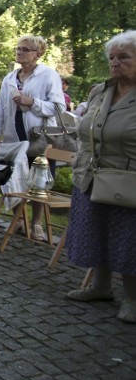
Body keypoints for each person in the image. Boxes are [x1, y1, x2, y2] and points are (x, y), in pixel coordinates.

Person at [64, 31, 136, 323]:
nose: (115, 63)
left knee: (128, 240)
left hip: (127, 179)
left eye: (124, 57)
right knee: (96, 232)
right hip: (91, 175)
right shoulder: (100, 91)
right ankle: (100, 287)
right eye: (112, 58)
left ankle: (132, 299)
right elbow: (85, 129)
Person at [0, 34, 65, 241]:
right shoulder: (9, 78)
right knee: (15, 179)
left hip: (40, 141)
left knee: (39, 183)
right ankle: (19, 219)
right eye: (18, 48)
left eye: (25, 49)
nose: (20, 52)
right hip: (15, 139)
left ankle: (37, 222)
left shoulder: (48, 75)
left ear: (38, 54)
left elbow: (58, 108)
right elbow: (2, 109)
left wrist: (33, 102)